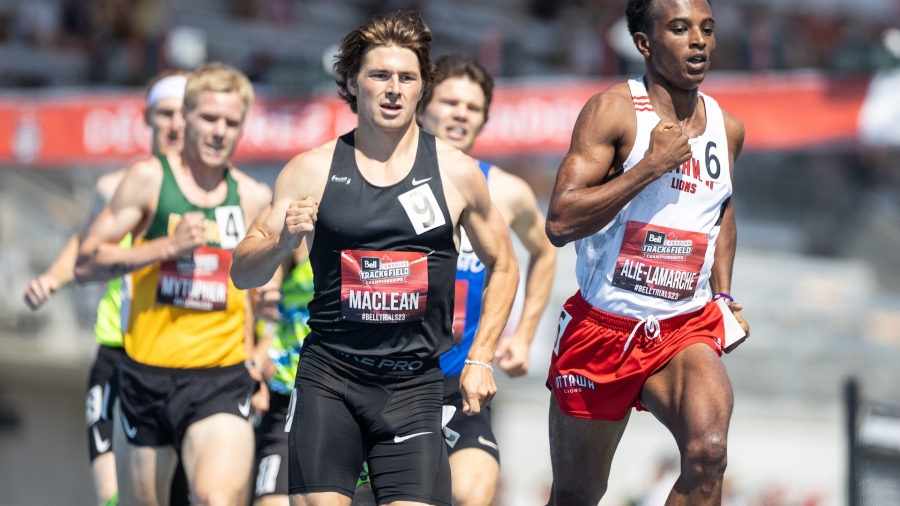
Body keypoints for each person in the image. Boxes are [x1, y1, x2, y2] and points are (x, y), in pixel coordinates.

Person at [230, 10, 519, 506]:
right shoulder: (310, 170)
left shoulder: (456, 172)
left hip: (414, 386)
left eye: (406, 77)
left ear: (421, 87)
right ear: (352, 81)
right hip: (330, 378)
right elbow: (241, 271)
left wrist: (482, 356)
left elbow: (505, 265)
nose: (393, 89)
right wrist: (281, 244)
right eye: (379, 75)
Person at [543, 0, 750, 504]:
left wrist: (722, 295)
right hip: (603, 328)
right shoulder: (612, 111)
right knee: (577, 494)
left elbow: (720, 211)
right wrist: (648, 167)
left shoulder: (729, 127)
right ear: (645, 43)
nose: (698, 40)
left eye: (706, 29)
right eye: (679, 29)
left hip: (683, 326)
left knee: (709, 452)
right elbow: (560, 221)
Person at [75, 63, 273, 506]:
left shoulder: (253, 196)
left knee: (215, 498)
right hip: (146, 378)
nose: (220, 131)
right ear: (185, 118)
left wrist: (263, 349)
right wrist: (164, 247)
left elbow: (266, 296)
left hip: (220, 379)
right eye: (208, 118)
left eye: (231, 122)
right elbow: (87, 262)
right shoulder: (149, 179)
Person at [22, 70, 188, 506]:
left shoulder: (212, 194)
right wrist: (51, 279)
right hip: (118, 349)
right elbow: (84, 242)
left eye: (184, 113)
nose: (175, 125)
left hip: (186, 355)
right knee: (112, 494)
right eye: (165, 113)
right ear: (147, 119)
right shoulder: (114, 187)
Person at [416, 56, 557, 506]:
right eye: (450, 101)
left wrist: (524, 334)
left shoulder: (505, 191)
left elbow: (545, 249)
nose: (461, 113)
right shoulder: (383, 178)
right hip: (388, 379)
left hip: (461, 382)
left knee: (474, 491)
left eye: (473, 108)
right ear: (422, 107)